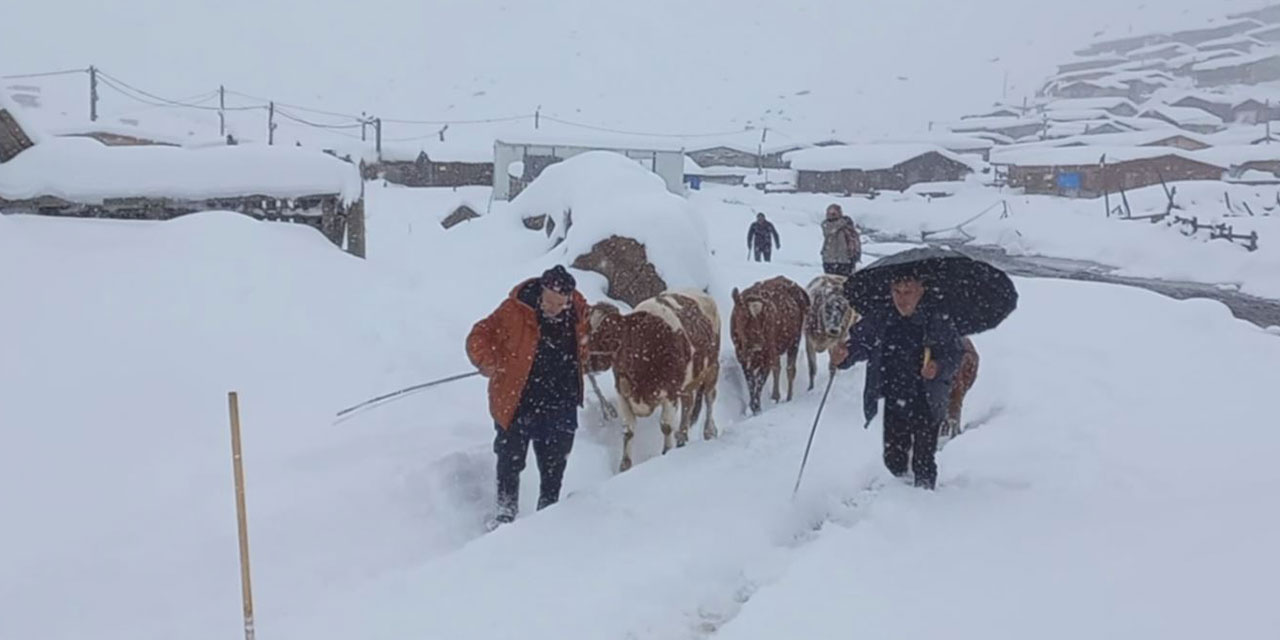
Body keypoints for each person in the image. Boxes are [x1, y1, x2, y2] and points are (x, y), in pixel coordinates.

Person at [465, 265, 591, 527]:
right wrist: (486, 360)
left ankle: (547, 515)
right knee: (510, 458)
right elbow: (479, 334)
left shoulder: (580, 313)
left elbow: (587, 346)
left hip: (561, 401)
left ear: (569, 300)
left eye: (559, 304)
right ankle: (505, 512)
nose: (552, 308)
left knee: (554, 463)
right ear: (540, 293)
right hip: (518, 399)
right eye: (548, 301)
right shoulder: (515, 309)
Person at [830, 271, 964, 490]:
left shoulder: (937, 317)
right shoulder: (881, 316)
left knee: (923, 457)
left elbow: (955, 353)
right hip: (894, 393)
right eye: (896, 292)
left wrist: (938, 367)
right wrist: (845, 356)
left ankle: (923, 499)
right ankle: (899, 491)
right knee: (894, 458)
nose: (902, 298)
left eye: (908, 292)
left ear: (921, 290)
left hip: (927, 396)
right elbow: (861, 344)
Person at [820, 203, 861, 277]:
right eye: (829, 213)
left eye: (833, 213)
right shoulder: (827, 225)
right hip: (830, 260)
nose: (831, 215)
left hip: (844, 260)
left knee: (843, 283)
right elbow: (830, 230)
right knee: (831, 283)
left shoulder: (847, 226)